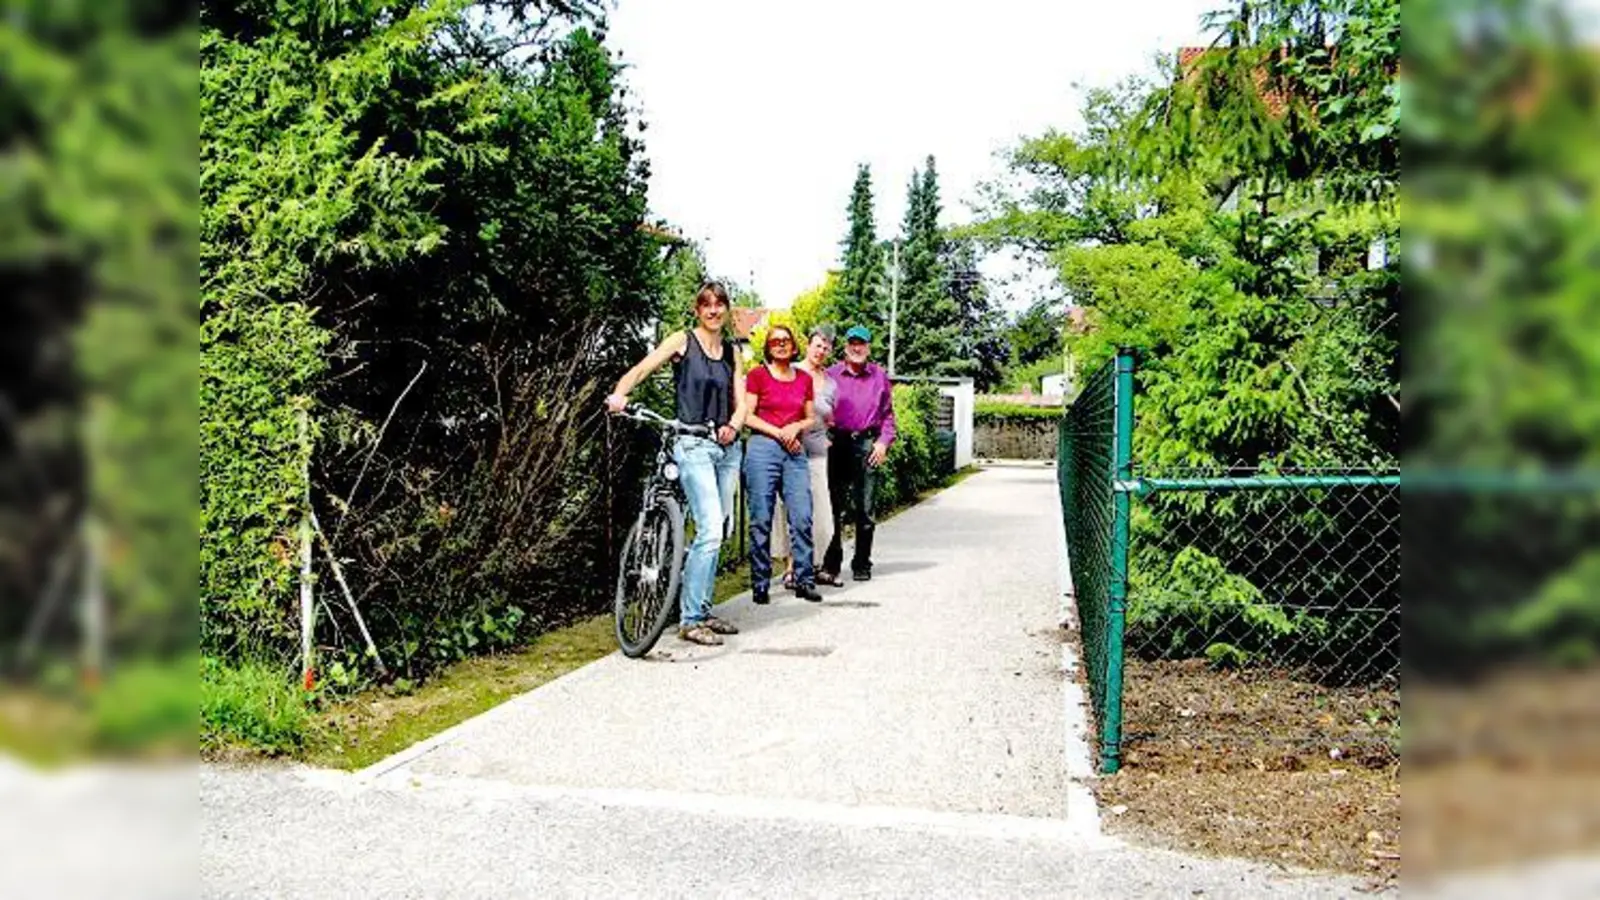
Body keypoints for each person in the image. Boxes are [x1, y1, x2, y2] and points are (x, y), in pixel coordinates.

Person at [605, 281, 746, 646]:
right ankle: (691, 619)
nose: (714, 311)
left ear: (727, 310)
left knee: (720, 532)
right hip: (693, 444)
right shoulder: (682, 341)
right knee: (711, 529)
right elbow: (643, 368)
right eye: (706, 305)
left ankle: (700, 604)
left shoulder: (732, 351)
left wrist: (734, 424)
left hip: (726, 448)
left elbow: (742, 400)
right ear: (697, 310)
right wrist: (621, 393)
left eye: (720, 304)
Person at [740, 324, 824, 605]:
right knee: (761, 518)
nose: (780, 344)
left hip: (795, 451)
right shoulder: (757, 376)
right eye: (775, 341)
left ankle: (804, 579)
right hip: (763, 448)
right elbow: (747, 416)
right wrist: (779, 432)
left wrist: (796, 426)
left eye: (785, 340)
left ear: (793, 346)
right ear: (768, 346)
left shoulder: (803, 379)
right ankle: (760, 583)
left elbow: (811, 417)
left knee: (802, 515)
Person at [772, 325, 844, 589]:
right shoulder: (792, 372)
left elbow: (829, 417)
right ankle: (792, 568)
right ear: (808, 345)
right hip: (789, 452)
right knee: (791, 511)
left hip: (817, 455)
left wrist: (827, 433)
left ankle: (810, 563)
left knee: (822, 517)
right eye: (818, 345)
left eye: (826, 347)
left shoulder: (831, 384)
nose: (821, 350)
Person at [822, 325, 896, 582]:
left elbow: (888, 415)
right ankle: (831, 563)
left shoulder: (879, 376)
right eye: (852, 343)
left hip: (867, 444)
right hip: (836, 444)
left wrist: (884, 442)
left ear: (868, 348)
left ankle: (862, 562)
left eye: (861, 344)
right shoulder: (829, 375)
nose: (856, 348)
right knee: (833, 507)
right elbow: (816, 410)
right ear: (845, 347)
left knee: (866, 509)